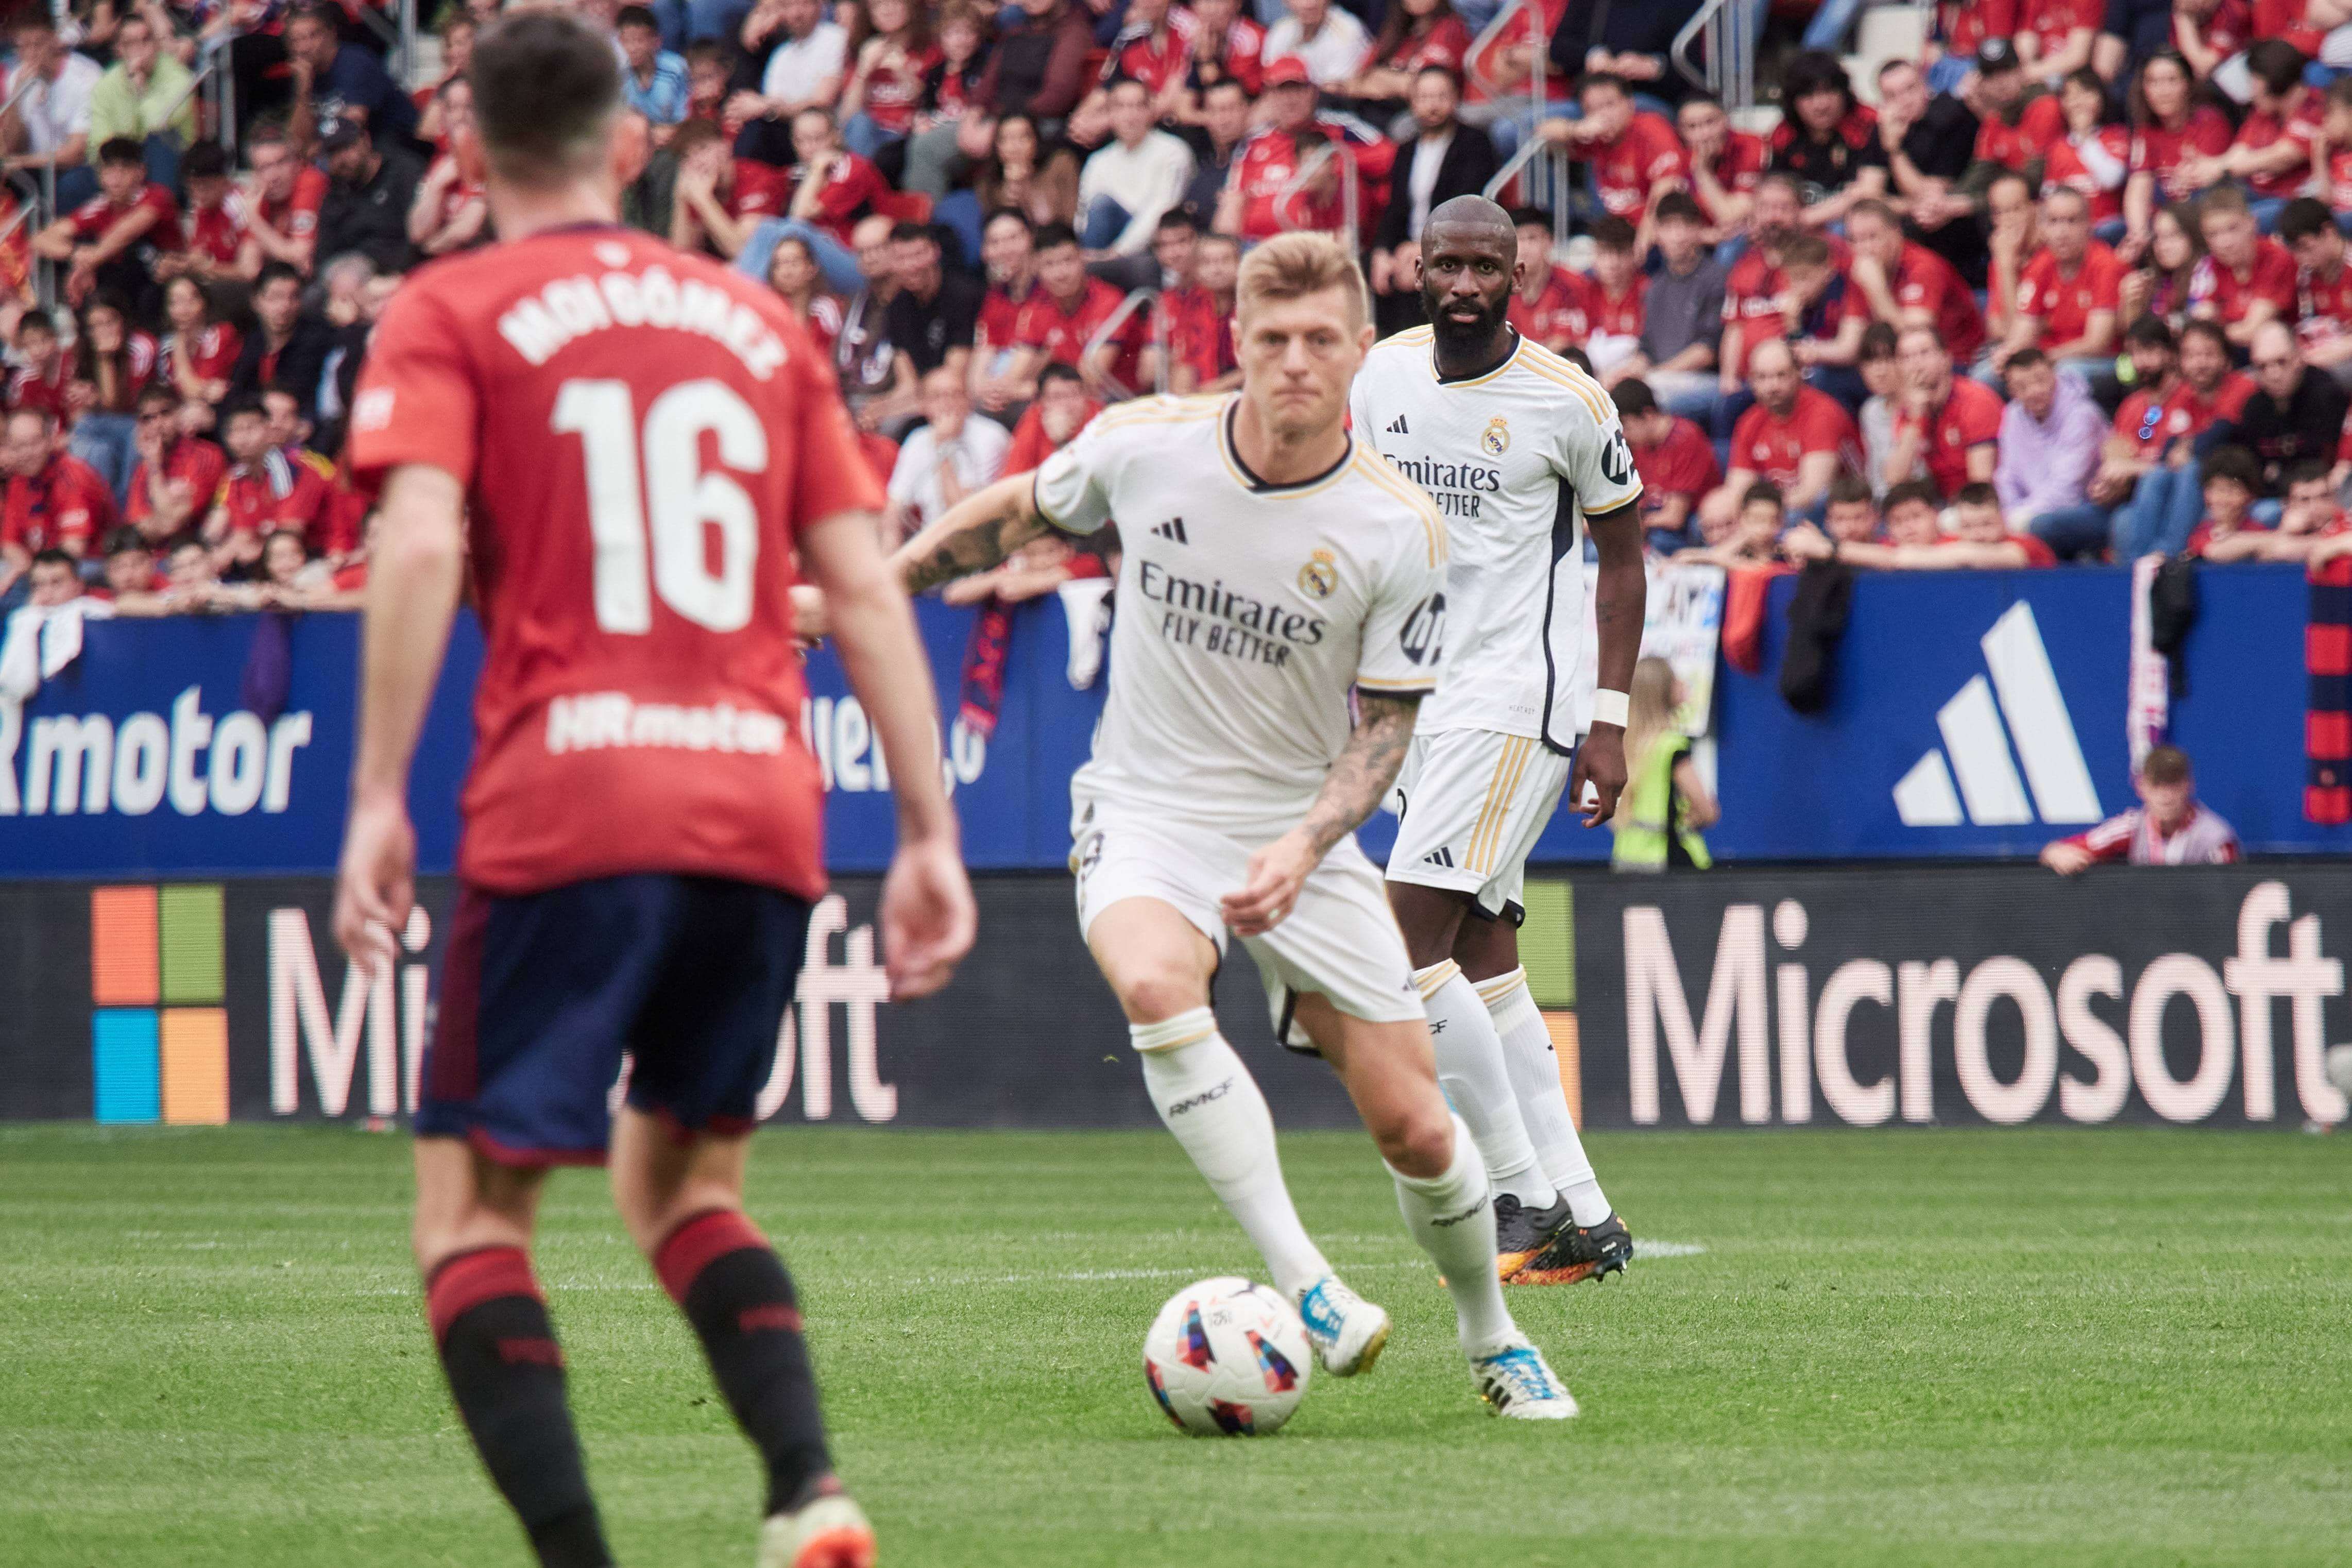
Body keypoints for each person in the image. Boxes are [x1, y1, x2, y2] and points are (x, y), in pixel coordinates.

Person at [331, 15, 975, 1568]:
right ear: (631, 148)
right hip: (759, 809)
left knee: (474, 1221)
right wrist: (930, 829)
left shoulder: (448, 307)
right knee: (681, 1180)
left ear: (466, 156)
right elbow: (866, 594)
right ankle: (807, 1487)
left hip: (567, 803)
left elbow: (417, 545)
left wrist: (374, 796)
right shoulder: (762, 325)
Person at [874, 229, 1580, 1418]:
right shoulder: (1147, 449)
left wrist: (1304, 846)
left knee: (1416, 1125)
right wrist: (865, 592)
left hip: (1296, 825)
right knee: (1155, 982)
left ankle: (1491, 1334)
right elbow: (1009, 513)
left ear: (1361, 349)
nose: (1294, 361)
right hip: (1145, 807)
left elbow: (1385, 731)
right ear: (1236, 346)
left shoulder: (1397, 526)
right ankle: (1305, 1279)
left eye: (1319, 340)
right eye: (1270, 340)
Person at [1353, 195, 1643, 1289]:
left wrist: (1609, 724)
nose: (1465, 284)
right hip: (1416, 708)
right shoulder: (1380, 376)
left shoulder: (1568, 400)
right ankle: (1590, 1215)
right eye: (1447, 266)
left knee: (1397, 947)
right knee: (1484, 961)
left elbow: (1624, 561)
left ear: (1518, 274)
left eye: (1486, 267)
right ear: (1416, 270)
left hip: (1514, 699)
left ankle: (1516, 1193)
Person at [1368, 66, 1496, 329]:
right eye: (1425, 98)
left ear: (1455, 99)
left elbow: (1465, 204)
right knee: (1367, 267)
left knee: (1422, 274)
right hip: (1410, 246)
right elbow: (1396, 208)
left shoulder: (1474, 143)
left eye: (1441, 96)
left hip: (1457, 241)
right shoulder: (1406, 149)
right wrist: (1383, 252)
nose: (1433, 106)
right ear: (1413, 102)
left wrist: (1422, 248)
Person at [1703, 338, 1859, 531]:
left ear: (1798, 374)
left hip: (1840, 508)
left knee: (1790, 519)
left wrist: (1760, 516)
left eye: (1781, 375)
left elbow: (1813, 491)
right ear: (1751, 381)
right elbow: (1738, 490)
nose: (1772, 386)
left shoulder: (1822, 413)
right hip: (1779, 507)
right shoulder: (1750, 421)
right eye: (1763, 378)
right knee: (1711, 523)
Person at [2040, 745, 2239, 870]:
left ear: (2189, 785)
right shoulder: (2131, 828)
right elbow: (2060, 850)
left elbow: (2230, 895)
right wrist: (2056, 854)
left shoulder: (2215, 838)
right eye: (2157, 785)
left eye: (2173, 784)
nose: (2165, 796)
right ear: (2141, 788)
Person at [1616, 192, 1725, 419]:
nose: (1678, 236)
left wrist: (1653, 375)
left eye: (1686, 226)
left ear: (1698, 231)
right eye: (1669, 227)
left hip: (1706, 381)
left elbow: (1707, 352)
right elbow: (1647, 349)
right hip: (1662, 377)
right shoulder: (1655, 287)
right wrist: (1626, 373)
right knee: (1609, 388)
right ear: (1656, 233)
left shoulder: (1716, 278)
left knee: (1649, 396)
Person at [1785, 480, 2058, 568]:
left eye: (1916, 517)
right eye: (1898, 521)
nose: (1908, 528)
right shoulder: (1886, 547)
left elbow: (1899, 558)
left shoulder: (2023, 546)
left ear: (1936, 516)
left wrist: (1828, 549)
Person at [1996, 348, 2110, 558]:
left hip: (2088, 508)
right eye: (2023, 387)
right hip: (2029, 510)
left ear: (2054, 376)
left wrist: (2018, 518)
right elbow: (2007, 476)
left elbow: (2068, 490)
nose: (2034, 391)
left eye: (2041, 380)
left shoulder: (2083, 415)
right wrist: (2007, 512)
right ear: (2011, 391)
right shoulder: (2012, 415)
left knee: (2041, 526)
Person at [1997, 185, 2123, 376]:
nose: (2062, 233)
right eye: (2054, 222)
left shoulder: (2106, 264)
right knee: (1987, 374)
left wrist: (2044, 359)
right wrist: (2009, 354)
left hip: (2102, 362)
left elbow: (2098, 342)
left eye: (2072, 221)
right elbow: (2022, 330)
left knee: (2067, 372)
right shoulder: (2041, 263)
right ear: (2043, 227)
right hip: (2049, 359)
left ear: (2088, 225)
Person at [882, 364, 1010, 541]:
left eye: (956, 394)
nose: (948, 403)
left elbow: (966, 520)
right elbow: (893, 513)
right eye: (938, 396)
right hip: (930, 543)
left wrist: (945, 446)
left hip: (980, 543)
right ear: (923, 405)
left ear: (969, 401)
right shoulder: (918, 440)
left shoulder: (991, 437)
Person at [1610, 656, 1715, 872]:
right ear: (1665, 692)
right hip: (1670, 865)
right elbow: (1707, 811)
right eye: (1676, 680)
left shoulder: (1624, 745)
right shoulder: (1671, 746)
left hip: (1626, 860)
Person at [1075, 76, 1195, 259]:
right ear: (1110, 113)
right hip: (1100, 247)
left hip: (1151, 250)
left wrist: (1118, 253)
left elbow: (1162, 209)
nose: (1130, 115)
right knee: (1099, 206)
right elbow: (1083, 216)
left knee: (1102, 205)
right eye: (1121, 107)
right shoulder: (1098, 161)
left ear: (1150, 110)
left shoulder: (1173, 151)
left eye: (1138, 106)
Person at [1885, 324, 2003, 498]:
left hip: (1983, 502)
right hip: (1944, 502)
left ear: (1946, 358)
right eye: (1906, 358)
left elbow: (1982, 485)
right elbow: (1895, 479)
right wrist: (1916, 418)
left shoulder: (1975, 400)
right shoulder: (1910, 411)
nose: (1916, 364)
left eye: (1924, 353)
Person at [2239, 319, 2349, 497]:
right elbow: (2255, 471)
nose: (2273, 374)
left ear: (2298, 357)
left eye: (2281, 362)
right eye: (2262, 366)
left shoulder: (2327, 394)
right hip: (2279, 496)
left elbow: (2329, 463)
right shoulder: (2253, 407)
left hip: (2327, 493)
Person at [1616, 376, 1718, 550]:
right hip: (1654, 518)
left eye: (1626, 426)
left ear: (1648, 416)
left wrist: (1637, 524)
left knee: (1660, 540)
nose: (1624, 435)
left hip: (1690, 524)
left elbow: (1675, 517)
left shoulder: (1686, 438)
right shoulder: (1639, 445)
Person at [2190, 184, 2296, 349]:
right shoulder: (2211, 264)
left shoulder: (2276, 258)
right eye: (2213, 234)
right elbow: (2200, 323)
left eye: (2232, 229)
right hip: (2230, 351)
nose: (2224, 243)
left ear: (2252, 224)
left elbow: (2252, 332)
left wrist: (2212, 332)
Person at [316, 117, 426, 275]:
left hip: (409, 270)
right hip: (355, 278)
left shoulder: (402, 171)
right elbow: (324, 257)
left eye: (346, 147)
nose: (341, 159)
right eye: (333, 153)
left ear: (365, 140)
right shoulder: (335, 196)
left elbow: (421, 236)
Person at [2279, 197, 2352, 385]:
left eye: (2306, 248)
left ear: (2328, 232)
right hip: (2323, 353)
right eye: (2295, 250)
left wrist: (2327, 356)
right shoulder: (2305, 276)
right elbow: (2305, 327)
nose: (2301, 259)